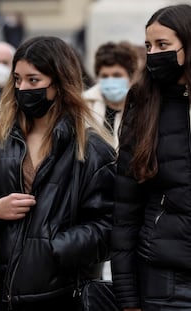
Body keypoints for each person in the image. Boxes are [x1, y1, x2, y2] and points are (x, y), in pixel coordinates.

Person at [0, 36, 116, 310]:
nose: (22, 88)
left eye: (33, 80)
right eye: (18, 79)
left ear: (58, 83)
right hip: (1, 296)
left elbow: (108, 226)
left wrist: (55, 247)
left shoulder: (91, 149)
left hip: (65, 296)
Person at [111, 4, 191, 310]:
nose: (154, 54)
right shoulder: (143, 102)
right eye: (149, 46)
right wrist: (127, 296)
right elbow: (125, 210)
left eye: (163, 45)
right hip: (162, 280)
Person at [83, 41, 138, 149]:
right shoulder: (84, 105)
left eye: (117, 75)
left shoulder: (141, 106)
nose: (110, 80)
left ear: (130, 77)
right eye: (105, 76)